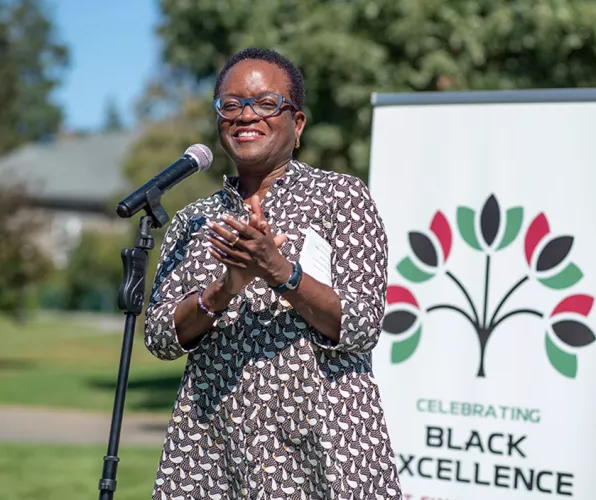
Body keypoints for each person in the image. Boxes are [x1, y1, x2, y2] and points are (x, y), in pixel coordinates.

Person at [144, 47, 402, 499]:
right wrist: (223, 292)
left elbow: (361, 326)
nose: (245, 116)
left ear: (296, 124)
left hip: (325, 451)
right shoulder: (193, 221)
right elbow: (161, 338)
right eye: (231, 104)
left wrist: (279, 269)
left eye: (265, 104)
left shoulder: (341, 199)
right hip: (213, 452)